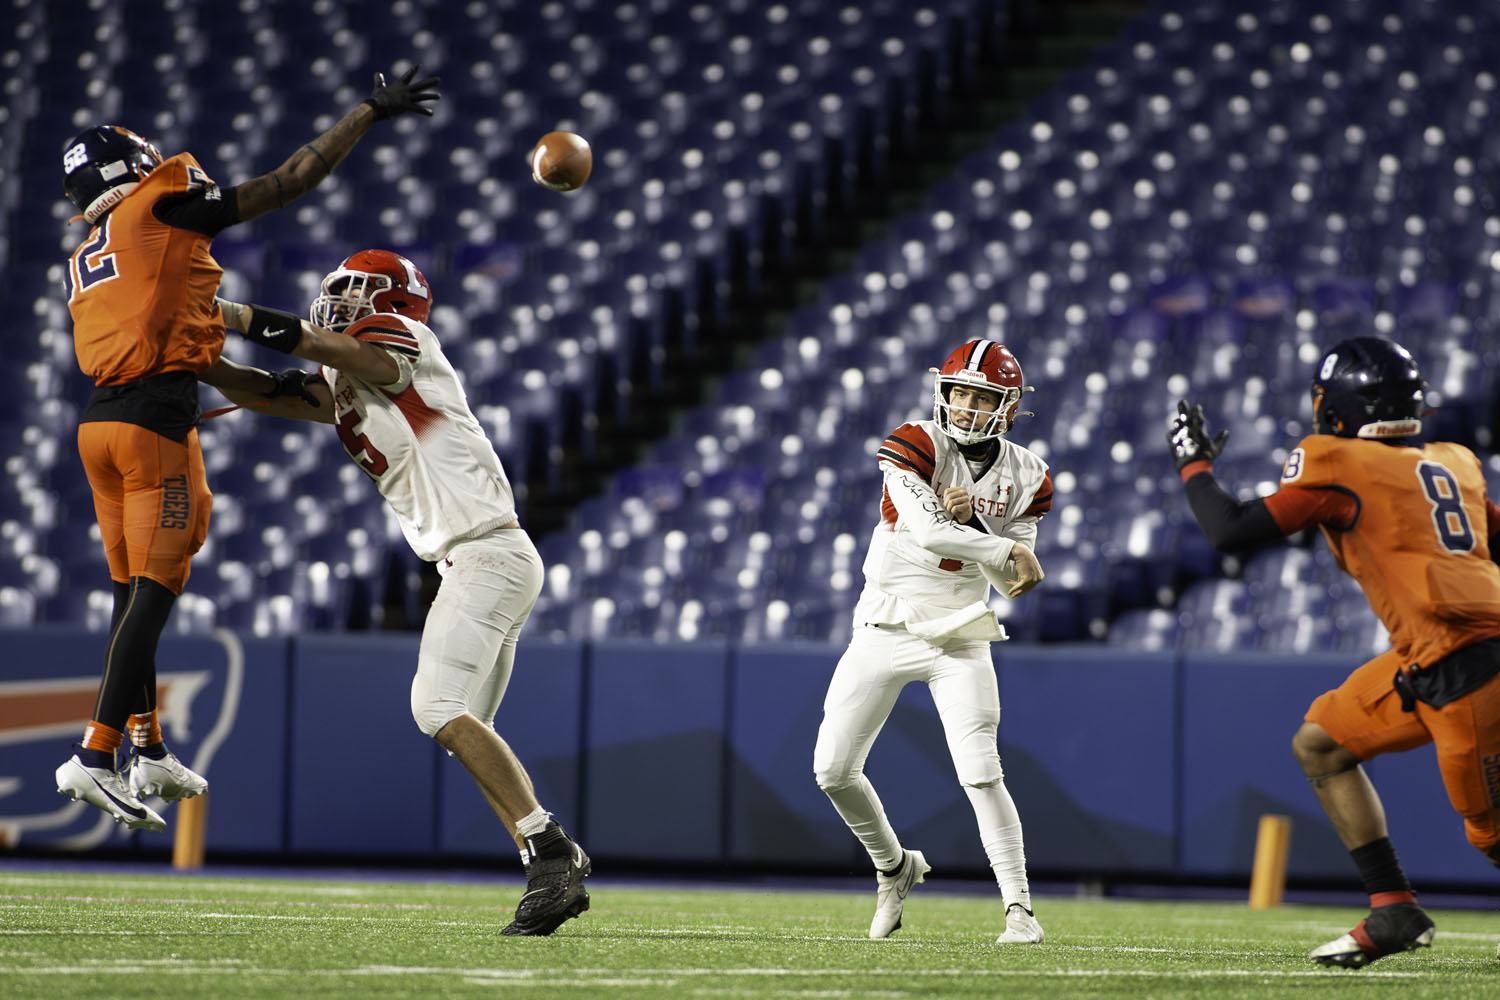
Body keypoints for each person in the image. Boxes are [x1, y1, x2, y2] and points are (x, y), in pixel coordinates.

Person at [54, 66, 442, 833]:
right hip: (154, 423)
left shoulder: (96, 249)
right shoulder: (159, 202)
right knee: (158, 586)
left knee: (130, 590)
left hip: (101, 423)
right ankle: (94, 754)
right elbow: (289, 180)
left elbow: (176, 337)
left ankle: (146, 744)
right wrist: (367, 112)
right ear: (131, 167)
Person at [210, 249, 590, 936]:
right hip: (479, 558)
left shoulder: (404, 341)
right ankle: (548, 863)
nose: (345, 301)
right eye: (340, 291)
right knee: (468, 723)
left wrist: (231, 314)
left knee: (436, 707)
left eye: (360, 290)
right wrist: (191, 353)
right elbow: (263, 391)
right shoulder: (343, 376)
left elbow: (330, 346)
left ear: (396, 300)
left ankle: (551, 848)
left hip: (486, 552)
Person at [1168, 335, 1500, 968]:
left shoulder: (1338, 461)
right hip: (1431, 655)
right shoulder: (1456, 460)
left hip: (1467, 666)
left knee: (1492, 834)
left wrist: (1192, 465)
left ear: (1338, 405)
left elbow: (1231, 530)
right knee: (1320, 742)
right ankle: (1394, 907)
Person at [813, 339, 1051, 943]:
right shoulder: (915, 441)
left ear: (1009, 405)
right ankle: (894, 867)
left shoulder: (1030, 473)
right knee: (833, 770)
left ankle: (1019, 910)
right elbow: (925, 531)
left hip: (960, 633)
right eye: (960, 393)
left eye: (982, 396)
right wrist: (996, 543)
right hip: (885, 621)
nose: (967, 407)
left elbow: (1012, 582)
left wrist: (978, 524)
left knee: (980, 770)